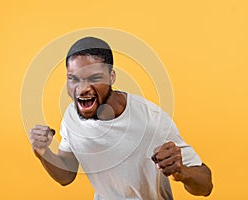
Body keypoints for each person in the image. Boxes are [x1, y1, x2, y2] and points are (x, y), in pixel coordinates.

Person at [29, 36, 213, 199]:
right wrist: (43, 153)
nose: (82, 88)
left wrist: (183, 172)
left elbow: (206, 186)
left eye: (94, 78)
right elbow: (66, 176)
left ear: (111, 77)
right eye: (73, 79)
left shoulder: (152, 119)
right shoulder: (71, 118)